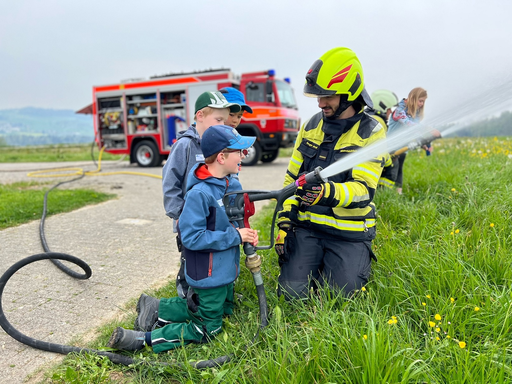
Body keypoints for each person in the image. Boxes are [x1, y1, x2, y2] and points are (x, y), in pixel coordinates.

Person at [107, 125, 258, 352]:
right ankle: (142, 339)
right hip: (208, 274)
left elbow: (234, 219)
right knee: (208, 329)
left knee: (223, 309)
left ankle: (156, 307)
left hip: (224, 271)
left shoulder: (231, 183)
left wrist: (244, 230)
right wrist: (235, 235)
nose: (243, 155)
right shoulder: (200, 194)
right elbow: (192, 237)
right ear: (221, 156)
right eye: (239, 151)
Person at [275, 47, 387, 300]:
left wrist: (327, 192)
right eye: (318, 95)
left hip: (349, 234)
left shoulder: (371, 131)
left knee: (342, 295)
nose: (320, 102)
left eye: (327, 96)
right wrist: (284, 224)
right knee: (292, 294)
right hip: (308, 228)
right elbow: (291, 181)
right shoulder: (312, 125)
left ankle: (343, 265)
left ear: (349, 94)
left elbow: (363, 191)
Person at [162, 91, 242, 299]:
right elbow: (170, 184)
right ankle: (188, 297)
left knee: (212, 257)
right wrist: (180, 214)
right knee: (192, 259)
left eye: (224, 121)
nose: (222, 125)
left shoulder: (218, 144)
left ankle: (214, 292)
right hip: (190, 219)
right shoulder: (185, 145)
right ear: (200, 116)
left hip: (213, 218)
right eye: (218, 120)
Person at [386, 87, 438, 194]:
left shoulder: (416, 114)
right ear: (413, 98)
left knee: (399, 169)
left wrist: (424, 143)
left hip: (402, 147)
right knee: (388, 172)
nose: (422, 104)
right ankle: (383, 193)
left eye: (423, 101)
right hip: (390, 148)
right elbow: (408, 124)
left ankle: (397, 194)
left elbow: (414, 131)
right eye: (420, 101)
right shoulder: (399, 111)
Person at [365, 90, 400, 189]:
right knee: (394, 162)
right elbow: (381, 149)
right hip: (367, 162)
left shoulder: (368, 118)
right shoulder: (378, 122)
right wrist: (390, 159)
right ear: (382, 107)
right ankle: (383, 190)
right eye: (390, 109)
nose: (391, 113)